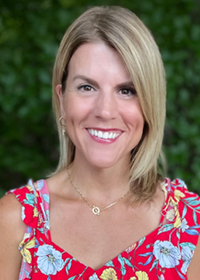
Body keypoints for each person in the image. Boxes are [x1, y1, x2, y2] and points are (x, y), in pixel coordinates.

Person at [0, 5, 200, 280]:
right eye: (87, 87)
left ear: (150, 104)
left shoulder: (191, 226)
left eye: (127, 90)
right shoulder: (14, 221)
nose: (105, 111)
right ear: (62, 98)